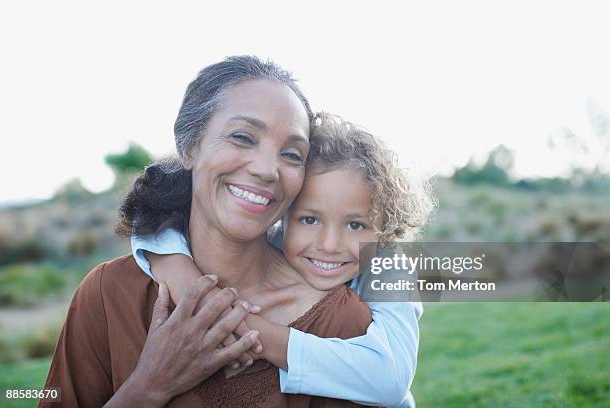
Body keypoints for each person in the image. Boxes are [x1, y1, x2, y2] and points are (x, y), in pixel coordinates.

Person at [133, 116, 433, 406]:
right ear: (283, 213)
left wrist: (243, 330)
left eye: (355, 225)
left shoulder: (390, 268)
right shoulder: (274, 241)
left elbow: (390, 379)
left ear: (384, 231)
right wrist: (175, 267)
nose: (328, 245)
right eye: (309, 219)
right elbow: (152, 222)